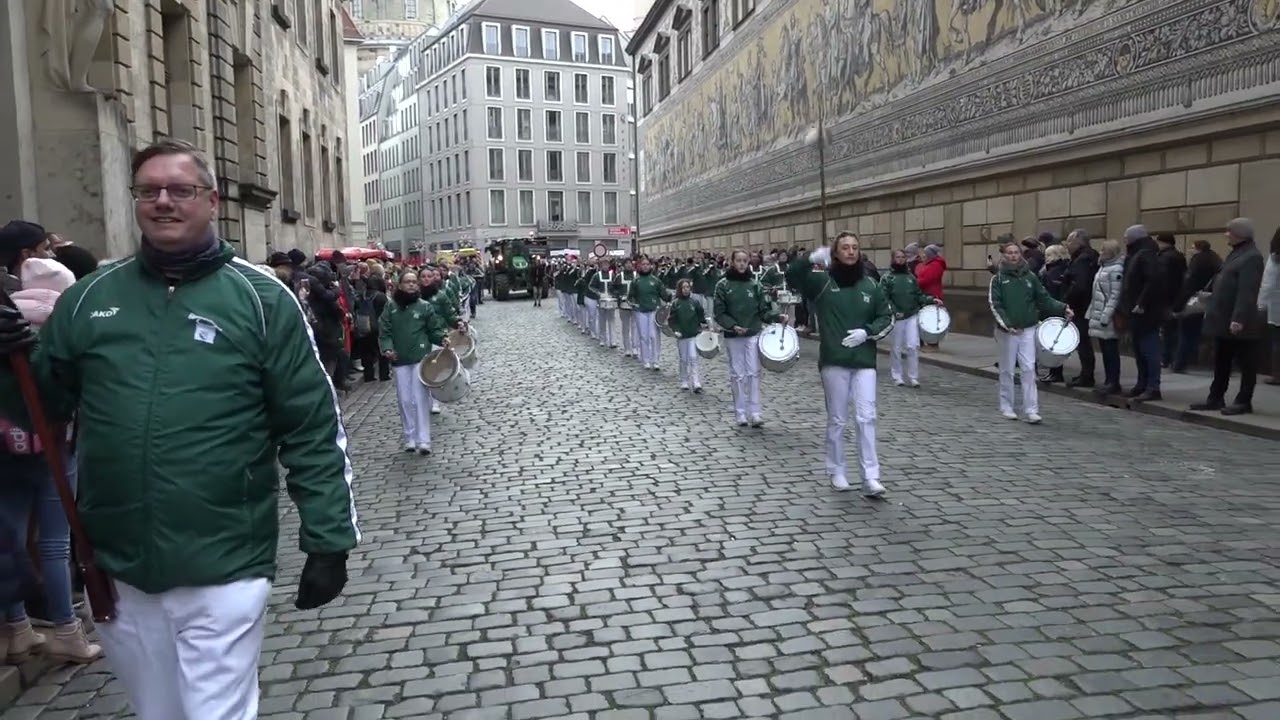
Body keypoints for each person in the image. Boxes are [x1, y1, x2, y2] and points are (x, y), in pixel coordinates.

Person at [0, 138, 358, 719]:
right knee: (158, 711)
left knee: (216, 711)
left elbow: (312, 427)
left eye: (181, 190)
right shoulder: (91, 299)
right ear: (136, 199)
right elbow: (40, 407)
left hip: (224, 558)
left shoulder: (262, 299)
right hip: (118, 565)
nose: (163, 201)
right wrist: (8, 363)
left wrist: (329, 538)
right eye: (149, 190)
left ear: (212, 201)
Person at [787, 232, 893, 496]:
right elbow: (792, 278)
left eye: (855, 247)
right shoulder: (822, 281)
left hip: (864, 360)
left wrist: (867, 332)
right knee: (837, 419)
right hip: (835, 360)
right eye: (845, 247)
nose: (851, 252)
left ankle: (871, 476)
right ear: (835, 253)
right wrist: (809, 258)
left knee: (866, 417)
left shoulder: (870, 284)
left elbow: (886, 316)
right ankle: (837, 470)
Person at [989, 240, 1072, 423]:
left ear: (1020, 255)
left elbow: (1043, 298)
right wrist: (1007, 324)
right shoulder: (998, 279)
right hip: (1007, 331)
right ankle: (1007, 405)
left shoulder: (1030, 277)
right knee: (1007, 369)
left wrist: (1062, 308)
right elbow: (996, 305)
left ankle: (1031, 409)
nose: (1013, 255)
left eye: (1016, 252)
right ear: (1004, 255)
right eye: (1009, 252)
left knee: (1028, 368)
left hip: (1028, 328)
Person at [1192, 218, 1265, 415]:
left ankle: (1243, 401)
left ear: (1239, 233)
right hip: (1223, 319)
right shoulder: (1236, 253)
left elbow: (1247, 291)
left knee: (1246, 363)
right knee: (1221, 361)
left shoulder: (1252, 257)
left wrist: (1238, 318)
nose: (1226, 234)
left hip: (1239, 321)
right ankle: (1215, 398)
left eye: (1229, 231)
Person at [715, 249, 787, 427]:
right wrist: (732, 325)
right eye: (738, 260)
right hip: (734, 335)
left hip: (753, 333)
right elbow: (719, 311)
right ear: (732, 262)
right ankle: (740, 412)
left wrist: (777, 317)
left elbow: (764, 310)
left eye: (744, 261)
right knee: (737, 374)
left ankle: (755, 412)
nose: (741, 264)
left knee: (754, 373)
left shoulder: (755, 284)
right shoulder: (723, 285)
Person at [379, 270, 449, 454]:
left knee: (420, 400)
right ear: (399, 285)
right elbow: (385, 331)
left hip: (420, 357)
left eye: (413, 282)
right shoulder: (391, 307)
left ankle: (424, 440)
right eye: (407, 282)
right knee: (405, 400)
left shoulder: (424, 307)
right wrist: (387, 348)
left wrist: (442, 338)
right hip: (400, 360)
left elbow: (434, 329)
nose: (411, 284)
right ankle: (409, 437)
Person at [881, 248, 942, 387]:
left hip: (911, 315)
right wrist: (894, 311)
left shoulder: (910, 277)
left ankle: (913, 376)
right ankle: (897, 376)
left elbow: (918, 295)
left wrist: (932, 300)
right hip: (897, 318)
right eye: (898, 257)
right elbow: (884, 298)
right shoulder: (887, 278)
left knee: (913, 346)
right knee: (896, 347)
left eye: (903, 257)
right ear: (893, 259)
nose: (901, 259)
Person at [1086, 240, 1125, 397]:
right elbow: (1097, 294)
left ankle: (1113, 382)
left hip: (1107, 317)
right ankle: (1109, 381)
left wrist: (1105, 315)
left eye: (1103, 250)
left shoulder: (1116, 269)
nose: (1100, 252)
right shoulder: (1103, 267)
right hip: (1098, 313)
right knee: (1105, 350)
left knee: (1111, 351)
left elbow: (1115, 295)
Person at [626, 256, 671, 370]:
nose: (645, 266)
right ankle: (645, 359)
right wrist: (633, 303)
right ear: (640, 266)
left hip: (654, 310)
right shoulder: (636, 281)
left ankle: (655, 360)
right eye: (643, 264)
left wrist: (670, 296)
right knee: (643, 336)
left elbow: (664, 295)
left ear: (651, 266)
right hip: (641, 311)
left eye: (647, 264)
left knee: (653, 336)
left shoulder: (655, 280)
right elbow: (630, 297)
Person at [667, 278, 708, 393]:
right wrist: (676, 330)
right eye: (683, 287)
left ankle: (696, 382)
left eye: (687, 287)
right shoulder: (676, 304)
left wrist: (704, 324)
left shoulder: (694, 302)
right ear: (679, 289)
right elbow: (672, 320)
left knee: (693, 357)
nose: (685, 290)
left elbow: (701, 316)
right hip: (682, 336)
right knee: (683, 359)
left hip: (693, 334)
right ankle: (684, 380)